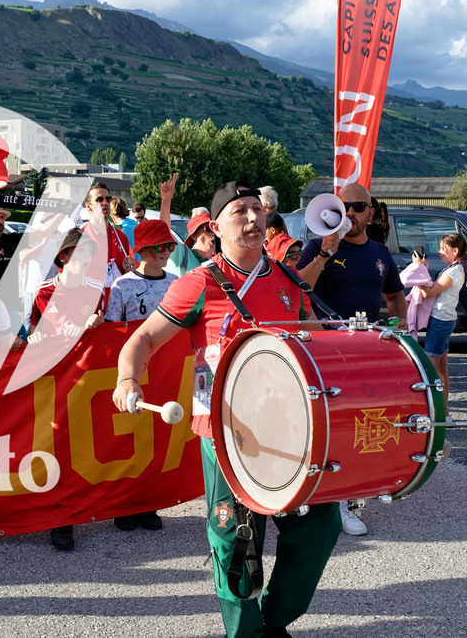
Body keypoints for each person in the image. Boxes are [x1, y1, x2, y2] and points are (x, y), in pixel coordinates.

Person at [113, 182, 338, 638]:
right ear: (215, 227)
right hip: (226, 432)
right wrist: (126, 378)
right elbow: (143, 339)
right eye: (240, 211)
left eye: (257, 209)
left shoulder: (289, 281)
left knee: (319, 524)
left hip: (291, 428)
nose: (253, 218)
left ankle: (275, 620)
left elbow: (316, 345)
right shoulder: (197, 283)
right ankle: (245, 632)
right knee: (234, 538)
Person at [294, 182, 406, 537]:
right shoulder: (316, 246)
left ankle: (346, 499)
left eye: (359, 207)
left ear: (370, 213)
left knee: (359, 423)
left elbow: (395, 294)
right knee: (321, 422)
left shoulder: (379, 253)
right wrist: (326, 252)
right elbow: (298, 289)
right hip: (324, 350)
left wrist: (403, 326)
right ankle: (313, 490)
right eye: (346, 207)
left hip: (366, 351)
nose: (352, 213)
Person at [29, 229, 105, 552]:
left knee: (90, 448)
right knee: (59, 448)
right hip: (54, 385)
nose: (86, 262)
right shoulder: (42, 293)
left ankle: (111, 507)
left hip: (89, 384)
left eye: (89, 256)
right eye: (80, 255)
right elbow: (31, 336)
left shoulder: (100, 292)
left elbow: (116, 334)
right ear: (63, 258)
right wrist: (35, 339)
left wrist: (99, 325)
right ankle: (62, 519)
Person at [103, 220, 179, 534]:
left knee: (157, 438)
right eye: (161, 246)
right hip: (134, 372)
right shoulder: (122, 286)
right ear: (143, 251)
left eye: (170, 246)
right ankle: (125, 503)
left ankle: (149, 502)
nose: (167, 251)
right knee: (127, 439)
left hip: (167, 371)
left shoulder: (176, 282)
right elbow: (110, 332)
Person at [411, 234, 466, 411]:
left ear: (455, 250)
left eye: (444, 249)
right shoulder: (454, 268)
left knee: (430, 369)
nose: (440, 252)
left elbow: (429, 293)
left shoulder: (454, 271)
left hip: (441, 321)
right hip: (444, 319)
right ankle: (444, 411)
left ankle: (434, 412)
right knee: (442, 369)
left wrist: (419, 269)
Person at [80, 183, 134, 302]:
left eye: (108, 199)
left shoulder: (121, 237)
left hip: (118, 305)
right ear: (88, 206)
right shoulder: (80, 238)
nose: (105, 203)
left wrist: (128, 271)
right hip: (91, 307)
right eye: (99, 199)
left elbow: (128, 275)